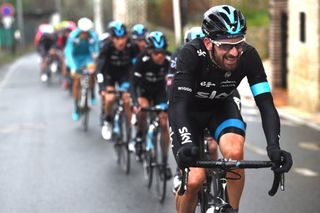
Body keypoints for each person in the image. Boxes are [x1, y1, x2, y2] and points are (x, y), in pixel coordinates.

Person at [168, 5, 293, 213]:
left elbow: (265, 104)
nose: (234, 52)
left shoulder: (249, 56)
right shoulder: (190, 54)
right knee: (194, 180)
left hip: (221, 106)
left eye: (238, 43)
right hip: (189, 111)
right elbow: (178, 104)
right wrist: (187, 144)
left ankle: (232, 210)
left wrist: (274, 146)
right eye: (226, 45)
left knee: (235, 152)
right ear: (208, 43)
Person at [130, 31, 172, 177]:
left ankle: (165, 161)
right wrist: (135, 102)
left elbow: (177, 84)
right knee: (142, 110)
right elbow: (133, 84)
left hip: (160, 92)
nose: (159, 56)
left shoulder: (170, 59)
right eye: (155, 53)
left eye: (162, 52)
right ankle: (140, 135)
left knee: (163, 122)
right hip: (144, 91)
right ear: (149, 51)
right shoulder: (141, 60)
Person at [97, 21, 139, 140]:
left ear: (127, 36)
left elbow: (137, 66)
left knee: (127, 100)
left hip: (125, 75)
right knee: (110, 98)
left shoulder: (132, 46)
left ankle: (131, 130)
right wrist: (101, 88)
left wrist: (135, 85)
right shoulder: (107, 47)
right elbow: (100, 69)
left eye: (123, 38)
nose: (120, 42)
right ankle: (107, 120)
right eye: (117, 38)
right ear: (111, 38)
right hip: (109, 75)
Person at [64, 17, 99, 121]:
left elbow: (96, 49)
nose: (85, 34)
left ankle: (92, 93)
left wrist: (95, 57)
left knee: (92, 73)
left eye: (87, 32)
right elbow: (68, 52)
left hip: (87, 58)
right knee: (76, 81)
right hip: (75, 59)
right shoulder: (72, 36)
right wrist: (73, 67)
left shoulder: (93, 36)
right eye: (83, 32)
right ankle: (76, 108)